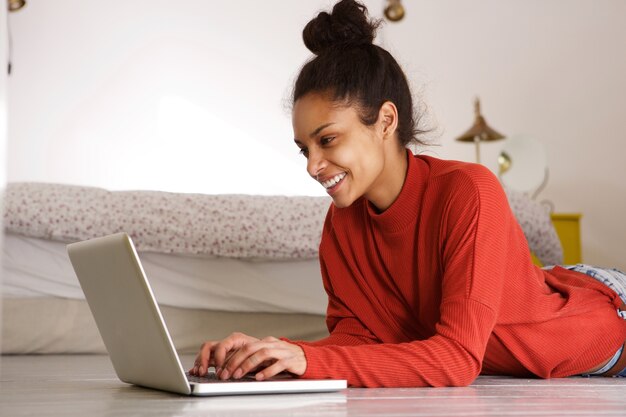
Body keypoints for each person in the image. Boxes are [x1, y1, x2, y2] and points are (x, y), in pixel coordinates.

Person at [189, 0, 626, 387]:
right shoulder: (341, 227)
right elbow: (357, 341)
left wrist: (307, 359)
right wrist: (267, 353)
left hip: (607, 322)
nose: (311, 166)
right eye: (304, 149)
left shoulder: (468, 192)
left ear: (384, 121)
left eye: (327, 140)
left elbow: (456, 360)